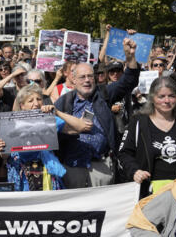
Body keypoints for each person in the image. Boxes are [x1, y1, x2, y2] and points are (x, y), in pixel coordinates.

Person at [54, 38, 140, 188]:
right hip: (73, 167)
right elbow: (52, 132)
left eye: (90, 76)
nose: (87, 80)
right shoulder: (63, 102)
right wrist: (73, 129)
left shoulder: (104, 93)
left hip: (101, 167)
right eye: (82, 77)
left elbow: (129, 81)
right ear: (73, 80)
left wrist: (130, 57)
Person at [118, 77, 176, 198]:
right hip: (150, 192)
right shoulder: (138, 121)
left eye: (171, 96)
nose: (167, 100)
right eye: (161, 96)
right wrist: (135, 171)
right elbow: (124, 153)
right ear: (152, 98)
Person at [0, 84, 92, 191]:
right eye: (30, 101)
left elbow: (81, 126)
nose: (36, 103)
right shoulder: (10, 123)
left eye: (39, 99)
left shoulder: (49, 119)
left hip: (46, 175)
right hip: (22, 178)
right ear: (22, 105)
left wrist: (57, 112)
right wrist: (1, 148)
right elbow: (4, 156)